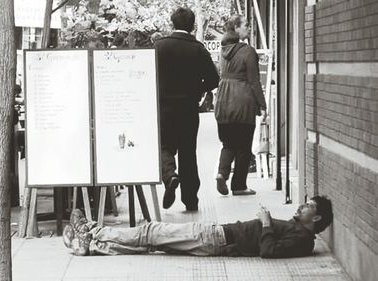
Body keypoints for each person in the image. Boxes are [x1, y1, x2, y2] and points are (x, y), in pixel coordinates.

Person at [63, 196, 333, 258]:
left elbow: (268, 251)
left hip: (217, 238)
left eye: (308, 205)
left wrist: (265, 223)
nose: (301, 206)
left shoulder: (302, 240)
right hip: (218, 235)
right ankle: (95, 245)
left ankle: (92, 230)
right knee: (155, 243)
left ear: (317, 218)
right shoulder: (300, 233)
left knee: (152, 231)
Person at [154, 7, 220, 211]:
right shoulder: (198, 49)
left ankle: (169, 175)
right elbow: (213, 79)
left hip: (164, 108)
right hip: (188, 109)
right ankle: (190, 199)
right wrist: (196, 90)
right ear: (192, 26)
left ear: (172, 23)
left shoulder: (159, 47)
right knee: (187, 152)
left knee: (164, 146)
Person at [214, 15, 267, 196]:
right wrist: (262, 104)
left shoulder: (223, 50)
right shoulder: (248, 51)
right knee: (244, 145)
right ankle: (239, 186)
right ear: (236, 29)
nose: (249, 28)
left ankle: (222, 173)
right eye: (246, 25)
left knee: (228, 143)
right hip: (242, 101)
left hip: (223, 101)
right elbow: (254, 80)